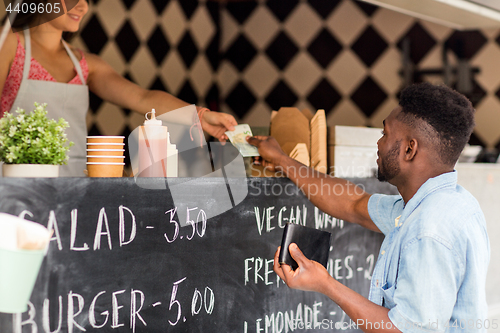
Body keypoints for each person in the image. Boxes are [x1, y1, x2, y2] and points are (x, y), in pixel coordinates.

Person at [247, 82, 490, 332]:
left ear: (409, 149)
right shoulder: (449, 204)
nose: (379, 143)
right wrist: (283, 160)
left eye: (385, 133)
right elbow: (353, 204)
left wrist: (325, 284)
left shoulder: (428, 230)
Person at [0, 0, 237, 176]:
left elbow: (143, 98)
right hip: (15, 183)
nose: (82, 6)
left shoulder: (85, 64)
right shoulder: (9, 44)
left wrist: (201, 117)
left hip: (74, 185)